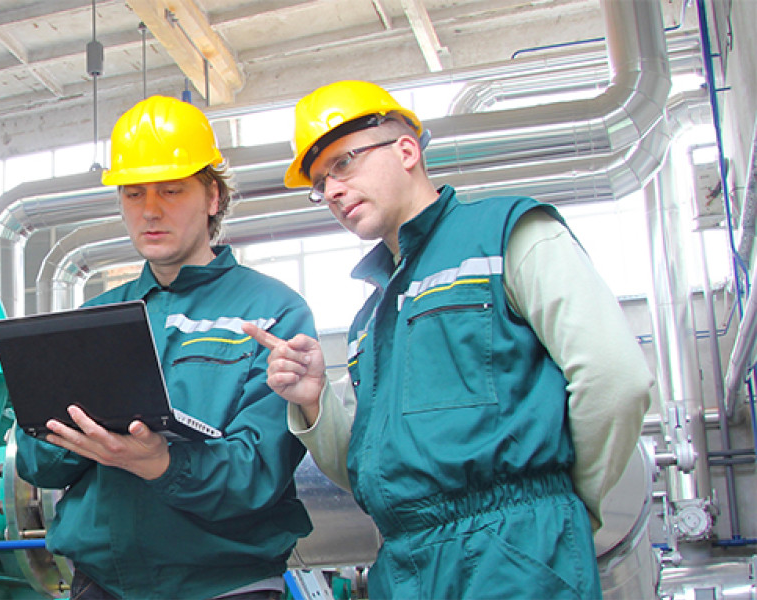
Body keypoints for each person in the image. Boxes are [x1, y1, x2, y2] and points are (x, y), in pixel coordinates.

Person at [243, 80, 654, 599]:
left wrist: (568, 504)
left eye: (343, 164)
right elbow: (370, 472)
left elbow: (615, 380)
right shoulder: (372, 314)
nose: (332, 191)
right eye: (320, 182)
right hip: (407, 564)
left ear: (407, 150)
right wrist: (313, 402)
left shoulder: (510, 235)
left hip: (517, 553)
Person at [15, 95, 315, 600]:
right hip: (101, 584)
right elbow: (38, 465)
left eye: (172, 190)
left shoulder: (272, 313)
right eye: (133, 194)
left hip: (226, 586)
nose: (150, 210)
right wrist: (59, 431)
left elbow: (258, 472)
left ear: (213, 197)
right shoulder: (90, 321)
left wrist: (161, 463)